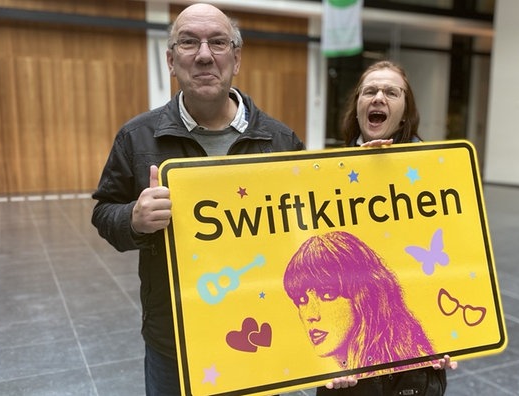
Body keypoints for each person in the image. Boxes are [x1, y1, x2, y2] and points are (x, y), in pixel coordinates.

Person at [91, 3, 337, 395]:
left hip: (261, 329)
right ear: (171, 61)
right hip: (175, 336)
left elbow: (315, 225)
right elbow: (104, 212)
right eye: (189, 42)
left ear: (236, 59)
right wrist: (134, 220)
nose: (204, 54)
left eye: (218, 42)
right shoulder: (136, 137)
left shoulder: (281, 142)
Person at [310, 60, 457, 396]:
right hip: (348, 361)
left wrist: (451, 332)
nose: (379, 97)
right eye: (370, 91)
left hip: (414, 358)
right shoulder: (324, 173)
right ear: (358, 107)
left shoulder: (438, 173)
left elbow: (456, 253)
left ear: (405, 112)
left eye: (391, 92)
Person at [283, 231, 436, 369]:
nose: (311, 315)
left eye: (327, 295)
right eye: (302, 300)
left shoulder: (411, 361)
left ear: (365, 297)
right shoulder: (322, 373)